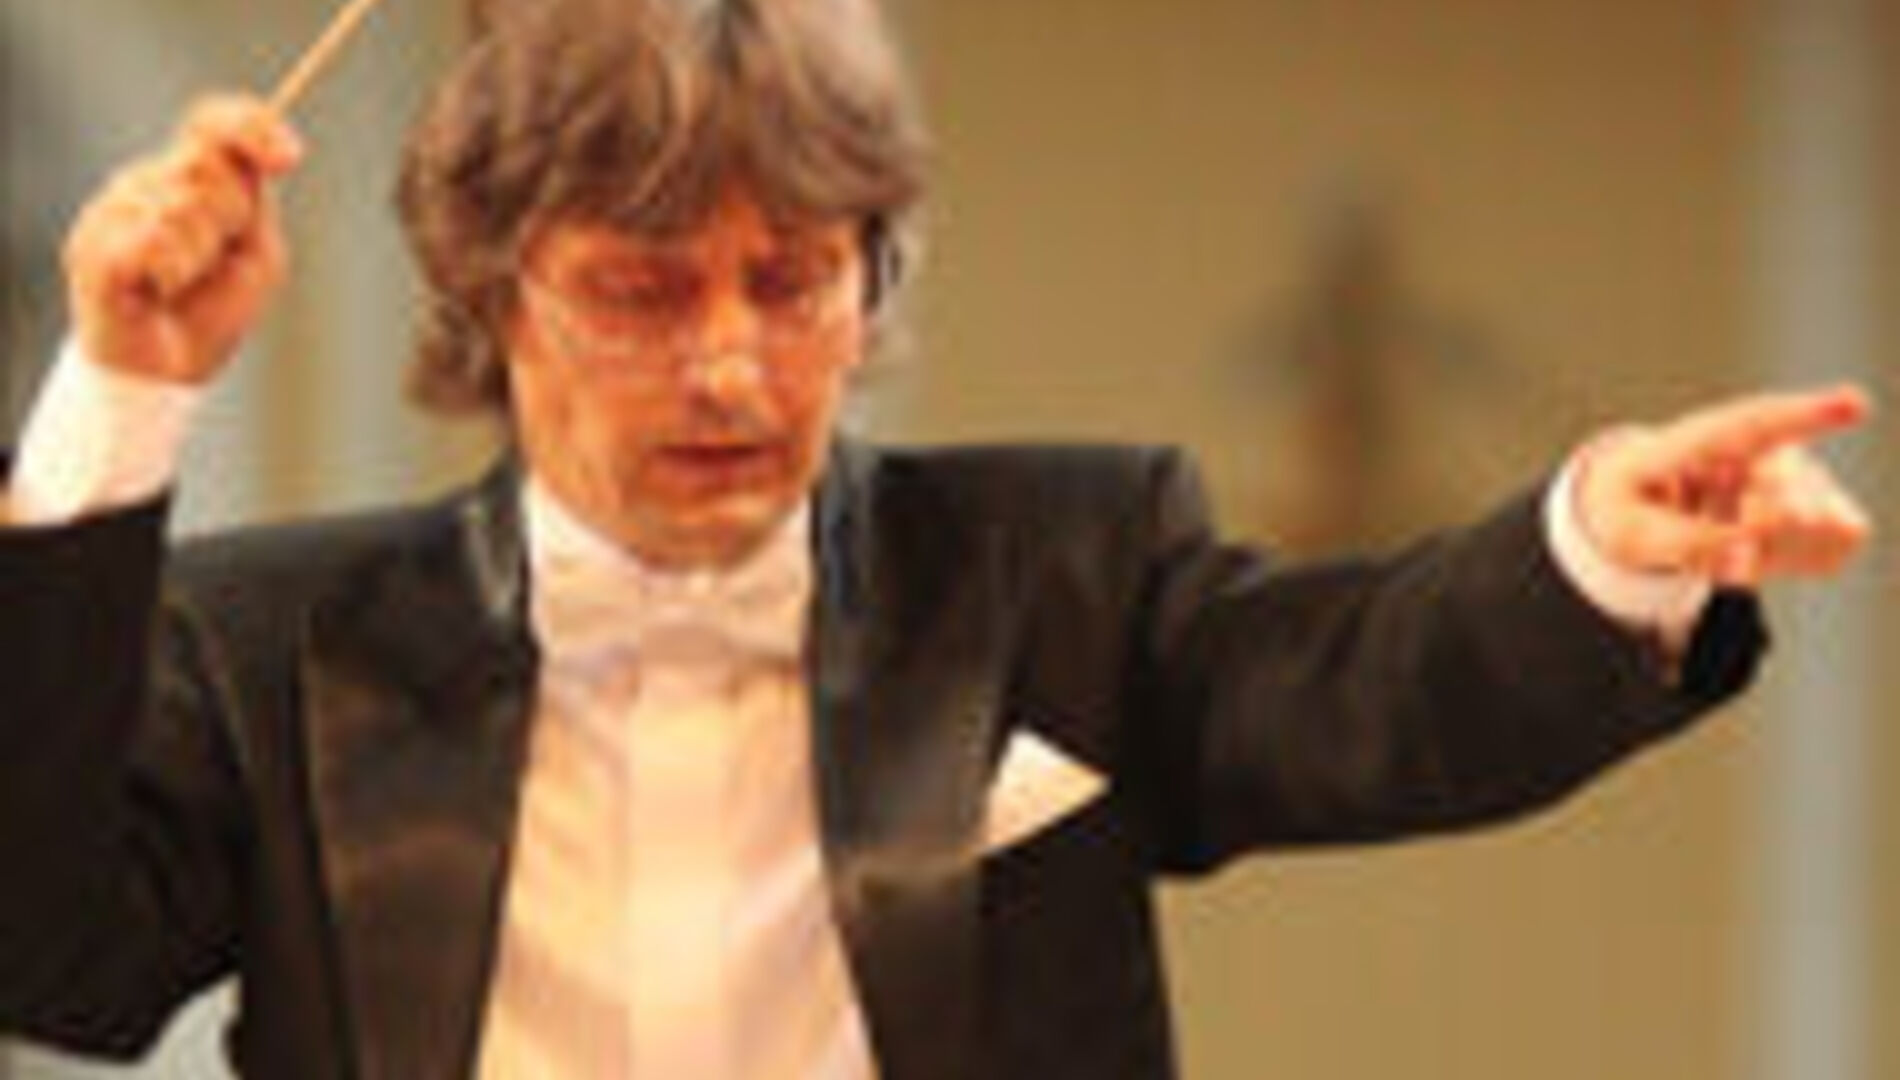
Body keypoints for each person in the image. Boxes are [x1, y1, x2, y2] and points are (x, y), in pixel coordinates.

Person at [0, 0, 1872, 1077]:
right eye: (643, 290)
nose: (731, 362)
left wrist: (1600, 548)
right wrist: (121, 401)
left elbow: (1366, 690)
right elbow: (47, 954)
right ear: (493, 299)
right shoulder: (278, 642)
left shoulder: (1060, 574)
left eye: (792, 281)